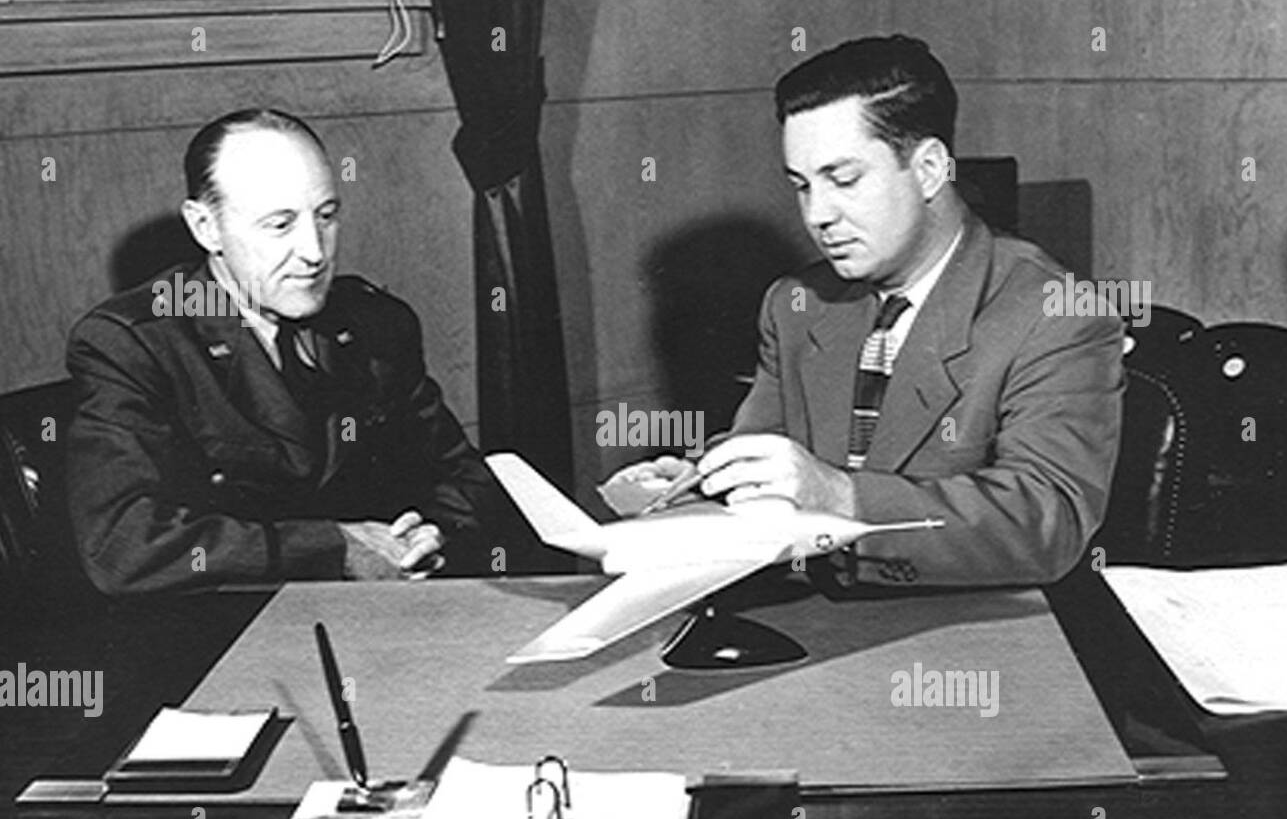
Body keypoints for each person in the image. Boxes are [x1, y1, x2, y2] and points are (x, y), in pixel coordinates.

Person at [620, 35, 1123, 588]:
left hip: (970, 633)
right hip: (816, 623)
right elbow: (765, 450)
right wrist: (701, 483)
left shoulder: (1057, 314)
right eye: (801, 186)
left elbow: (1046, 526)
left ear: (930, 169)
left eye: (844, 180)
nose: (818, 215)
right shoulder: (797, 304)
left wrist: (840, 496)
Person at [66, 108, 511, 594]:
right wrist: (335, 548)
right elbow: (123, 545)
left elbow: (465, 477)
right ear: (205, 228)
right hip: (229, 635)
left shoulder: (375, 323)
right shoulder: (134, 343)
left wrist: (432, 530)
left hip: (382, 618)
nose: (315, 252)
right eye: (280, 225)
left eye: (327, 216)